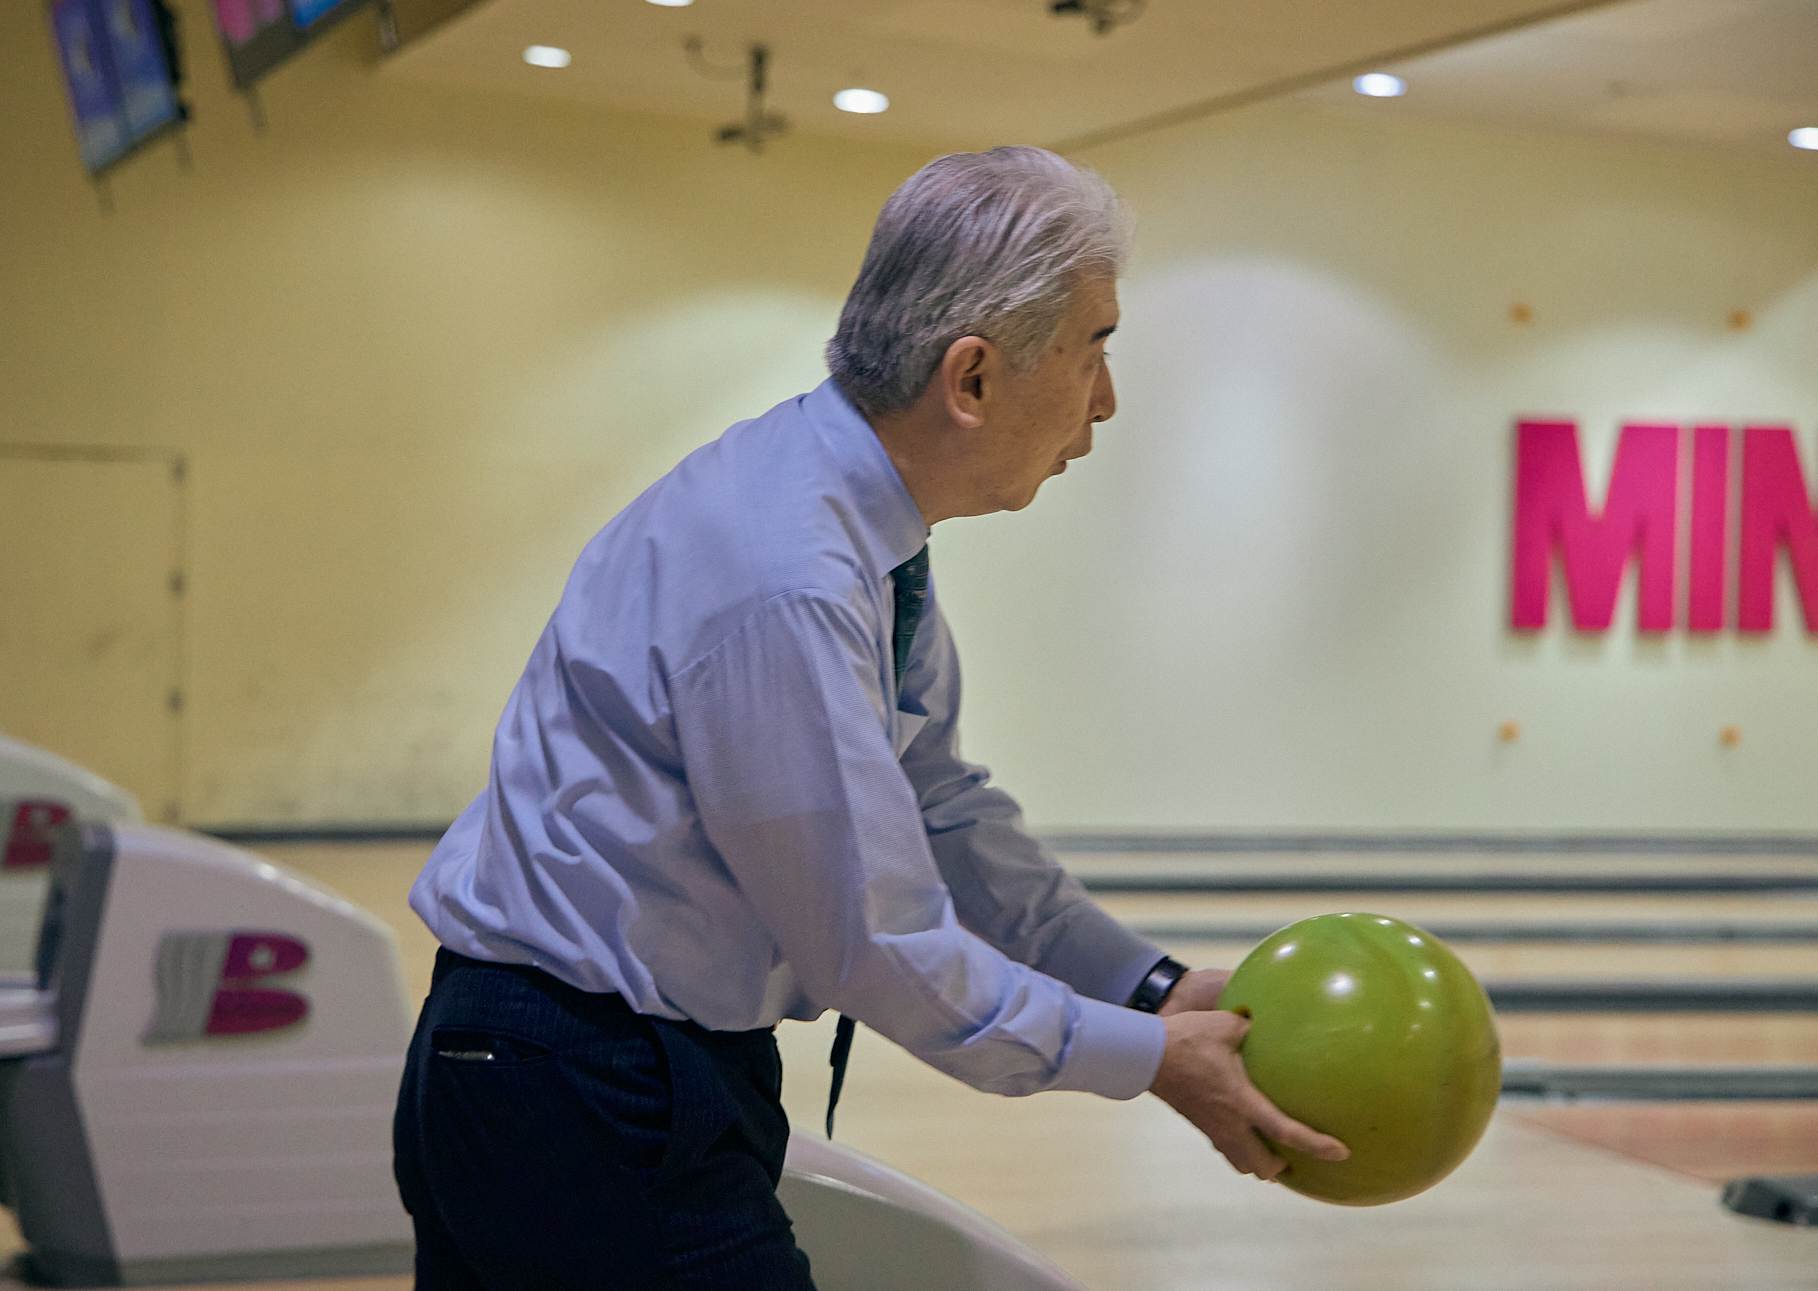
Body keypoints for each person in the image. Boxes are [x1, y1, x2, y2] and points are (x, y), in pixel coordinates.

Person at [395, 145, 1347, 1290]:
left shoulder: (852, 529)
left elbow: (935, 801)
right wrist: (1145, 1060)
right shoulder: (787, 574)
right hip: (584, 1084)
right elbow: (873, 940)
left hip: (586, 1067)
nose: (1106, 399)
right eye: (1094, 347)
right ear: (972, 378)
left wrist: (1146, 988)